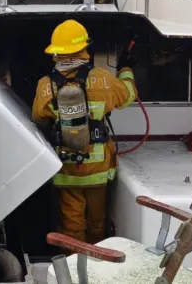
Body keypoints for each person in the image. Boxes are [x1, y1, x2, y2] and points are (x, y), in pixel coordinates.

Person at [31, 19, 137, 244]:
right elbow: (128, 96)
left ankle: (74, 266)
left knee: (72, 224)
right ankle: (97, 263)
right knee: (97, 222)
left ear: (57, 53)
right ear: (84, 49)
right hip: (99, 169)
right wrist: (126, 70)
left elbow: (38, 117)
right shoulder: (104, 79)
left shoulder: (45, 84)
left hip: (68, 168)